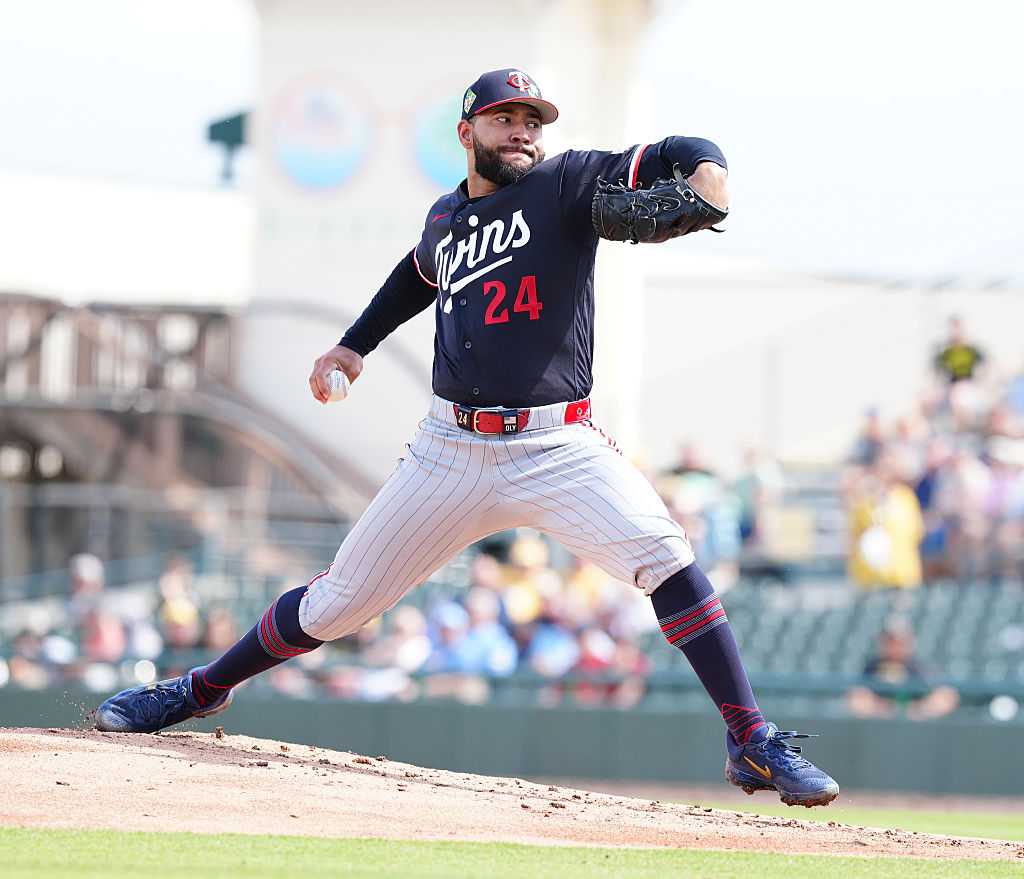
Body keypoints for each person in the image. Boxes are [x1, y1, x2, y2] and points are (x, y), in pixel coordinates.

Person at [94, 67, 838, 807]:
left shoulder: (568, 184)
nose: (523, 130)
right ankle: (199, 688)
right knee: (334, 606)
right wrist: (355, 344)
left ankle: (750, 739)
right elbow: (418, 274)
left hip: (557, 443)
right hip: (447, 448)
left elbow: (681, 150)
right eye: (506, 117)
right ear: (467, 132)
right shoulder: (446, 219)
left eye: (533, 120)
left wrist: (709, 171)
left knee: (668, 558)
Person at [845, 616, 960, 721]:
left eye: (900, 642)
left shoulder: (919, 667)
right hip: (878, 725)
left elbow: (945, 694)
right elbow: (857, 697)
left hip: (916, 726)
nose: (895, 647)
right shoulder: (871, 667)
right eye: (890, 641)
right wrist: (885, 710)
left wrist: (917, 710)